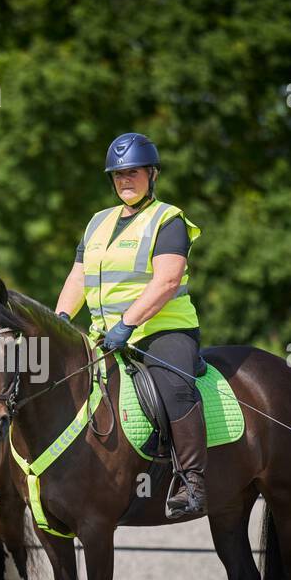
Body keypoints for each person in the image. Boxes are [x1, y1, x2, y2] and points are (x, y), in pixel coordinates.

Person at [53, 132, 207, 519]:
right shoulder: (97, 223)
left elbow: (167, 281)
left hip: (162, 331)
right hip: (103, 336)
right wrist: (61, 320)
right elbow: (78, 277)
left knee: (173, 385)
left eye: (133, 172)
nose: (125, 180)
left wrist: (127, 324)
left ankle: (192, 481)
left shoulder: (168, 219)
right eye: (118, 174)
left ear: (152, 174)